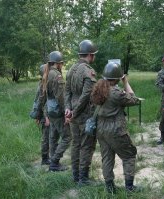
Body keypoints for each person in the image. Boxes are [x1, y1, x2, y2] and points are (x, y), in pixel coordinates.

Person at [91, 62, 140, 194]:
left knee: (107, 157)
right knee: (129, 155)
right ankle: (129, 188)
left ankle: (110, 187)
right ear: (117, 78)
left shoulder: (98, 88)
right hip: (115, 129)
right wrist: (126, 82)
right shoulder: (117, 93)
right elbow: (134, 99)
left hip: (100, 128)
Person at [64, 40, 98, 185]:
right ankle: (83, 179)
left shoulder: (71, 69)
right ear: (90, 55)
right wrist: (75, 112)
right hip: (83, 114)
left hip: (72, 112)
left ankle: (75, 175)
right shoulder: (88, 71)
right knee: (86, 146)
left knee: (75, 144)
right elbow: (86, 95)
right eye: (94, 55)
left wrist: (68, 109)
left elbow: (67, 91)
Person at [38, 51, 71, 171]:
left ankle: (53, 161)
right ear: (58, 63)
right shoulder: (56, 75)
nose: (62, 65)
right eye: (61, 63)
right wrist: (66, 112)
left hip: (50, 111)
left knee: (53, 136)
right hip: (57, 111)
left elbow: (44, 96)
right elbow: (61, 97)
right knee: (67, 137)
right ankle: (54, 162)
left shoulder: (47, 73)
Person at [32, 64, 50, 165]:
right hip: (45, 115)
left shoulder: (43, 83)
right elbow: (41, 102)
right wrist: (44, 117)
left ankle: (47, 156)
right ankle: (45, 158)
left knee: (48, 136)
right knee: (46, 137)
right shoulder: (43, 85)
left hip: (44, 114)